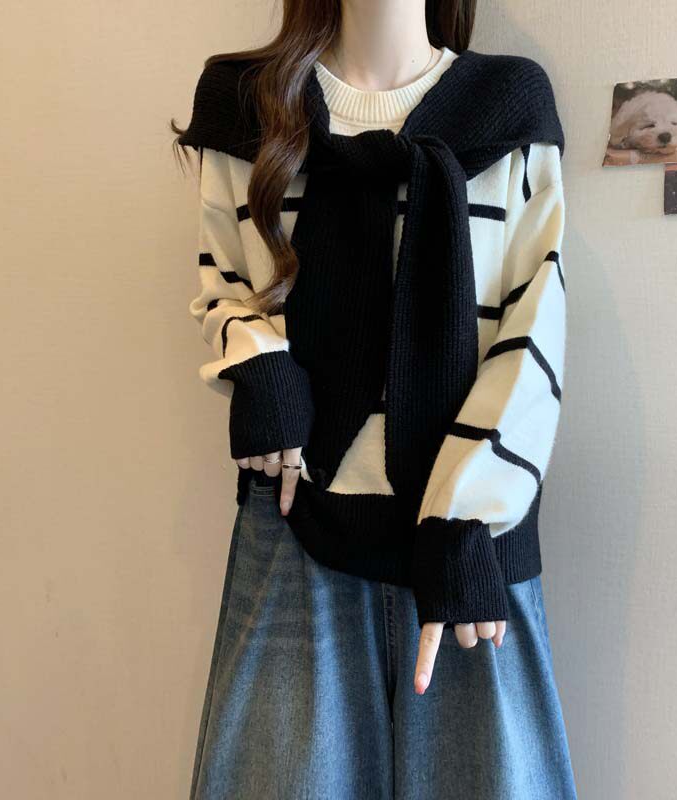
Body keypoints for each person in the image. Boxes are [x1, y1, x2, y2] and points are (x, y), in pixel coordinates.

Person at [171, 2, 577, 797]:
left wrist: (469, 516)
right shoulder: (248, 105)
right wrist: (261, 365)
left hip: (469, 542)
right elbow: (224, 282)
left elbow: (535, 326)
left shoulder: (508, 106)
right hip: (296, 525)